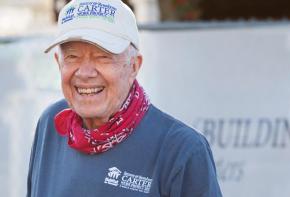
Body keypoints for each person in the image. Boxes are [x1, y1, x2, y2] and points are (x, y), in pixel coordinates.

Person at [27, 0, 222, 196]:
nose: (85, 73)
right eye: (72, 56)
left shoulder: (182, 150)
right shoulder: (51, 125)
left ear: (134, 66)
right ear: (58, 63)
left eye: (102, 56)